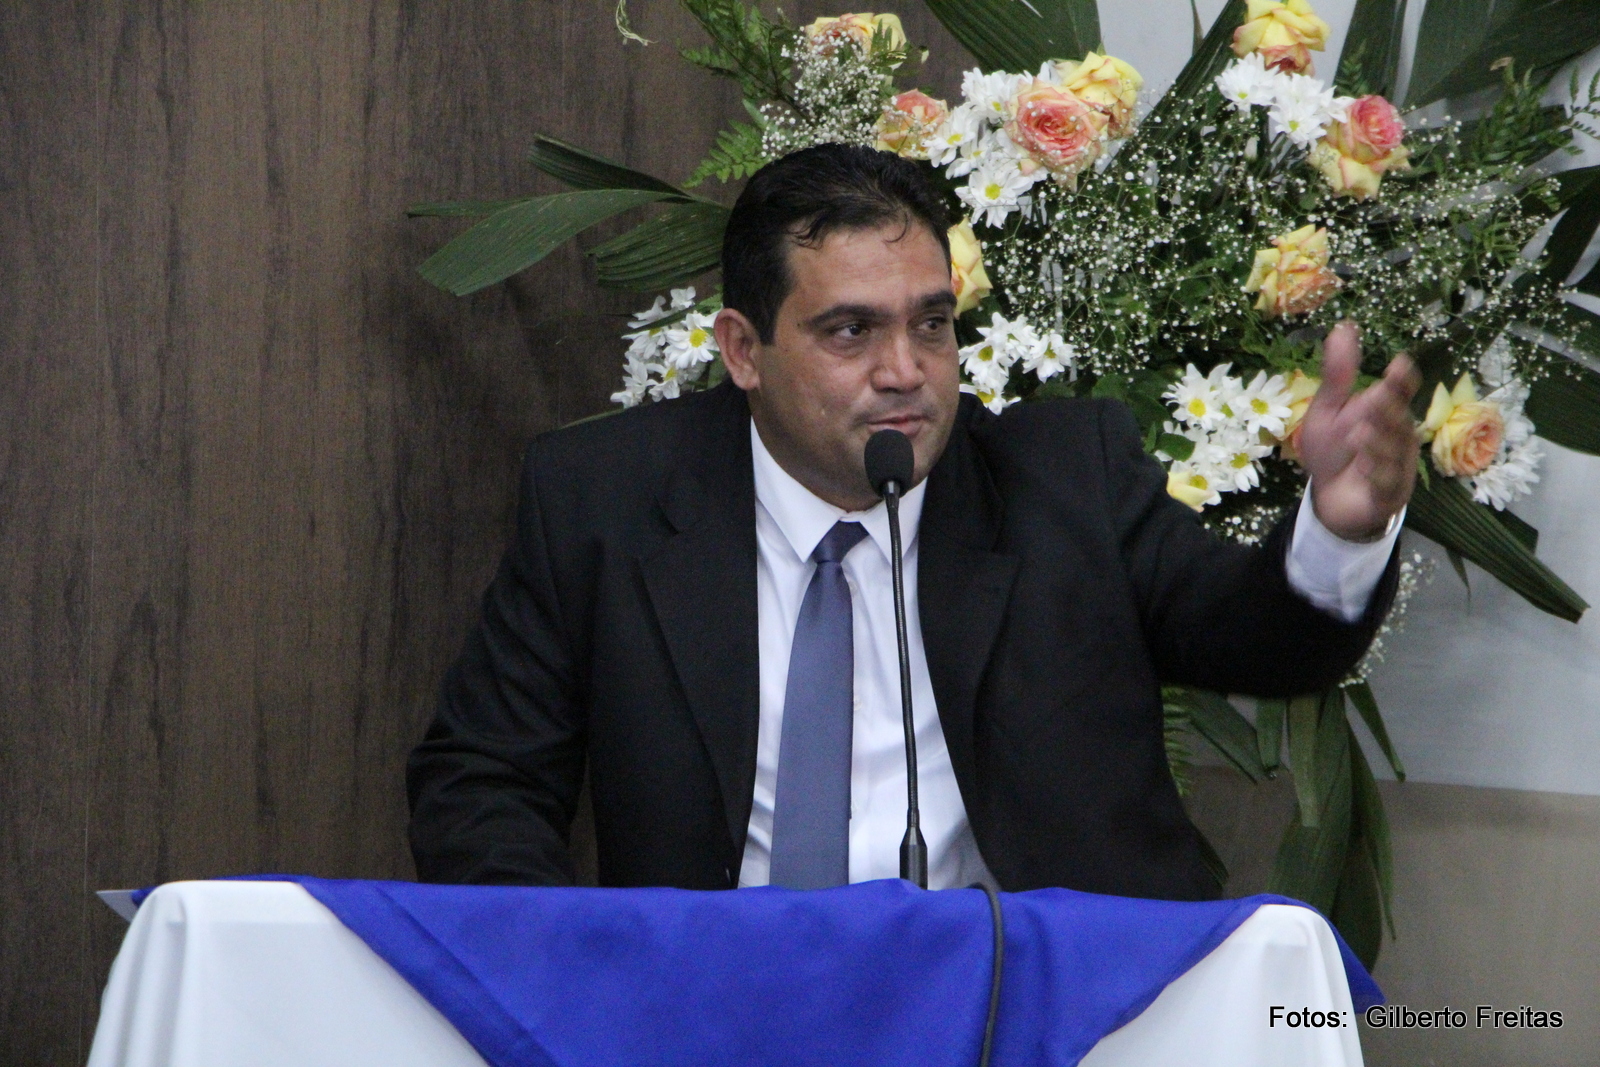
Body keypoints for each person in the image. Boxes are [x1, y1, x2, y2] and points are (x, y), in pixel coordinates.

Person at [407, 144, 1419, 900]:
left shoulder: (1064, 479)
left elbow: (1258, 638)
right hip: (718, 1010)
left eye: (931, 324)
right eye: (850, 330)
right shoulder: (605, 498)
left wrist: (1339, 530)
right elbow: (483, 779)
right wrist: (573, 970)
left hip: (1035, 1005)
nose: (905, 371)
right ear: (743, 350)